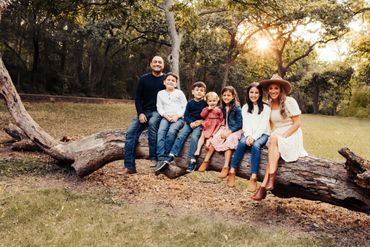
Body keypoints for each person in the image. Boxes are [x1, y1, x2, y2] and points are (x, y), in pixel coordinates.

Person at [252, 74, 308, 201]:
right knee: (273, 147)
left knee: (274, 141)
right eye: (270, 88)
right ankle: (267, 183)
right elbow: (272, 125)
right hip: (277, 134)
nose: (273, 91)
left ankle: (265, 184)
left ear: (281, 89)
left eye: (276, 88)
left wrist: (282, 136)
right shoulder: (269, 104)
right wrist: (274, 135)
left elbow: (297, 123)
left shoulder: (290, 101)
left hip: (292, 133)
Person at [123, 56, 166, 174]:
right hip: (144, 112)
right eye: (155, 62)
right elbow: (138, 98)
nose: (157, 64)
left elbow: (173, 97)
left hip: (159, 113)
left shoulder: (167, 79)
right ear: (151, 64)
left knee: (153, 124)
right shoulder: (144, 79)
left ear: (163, 65)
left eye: (160, 62)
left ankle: (155, 159)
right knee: (131, 133)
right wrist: (140, 113)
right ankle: (129, 166)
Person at [227, 82, 271, 190]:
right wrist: (248, 135)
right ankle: (232, 170)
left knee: (256, 146)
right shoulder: (245, 107)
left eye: (256, 92)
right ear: (248, 93)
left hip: (263, 133)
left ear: (260, 94)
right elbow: (245, 124)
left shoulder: (266, 108)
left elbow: (263, 125)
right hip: (248, 133)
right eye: (251, 92)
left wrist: (254, 137)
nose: (254, 95)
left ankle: (253, 176)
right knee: (242, 143)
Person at [198, 86, 243, 178]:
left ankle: (226, 166)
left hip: (234, 129)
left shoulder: (237, 108)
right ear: (221, 96)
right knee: (215, 139)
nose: (226, 97)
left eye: (229, 95)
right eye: (224, 95)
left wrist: (229, 132)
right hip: (224, 127)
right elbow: (214, 119)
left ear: (233, 96)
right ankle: (206, 161)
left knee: (230, 140)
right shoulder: (221, 107)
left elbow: (240, 123)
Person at [166, 81, 208, 172]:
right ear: (193, 92)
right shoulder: (190, 103)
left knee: (194, 137)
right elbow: (186, 115)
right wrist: (190, 123)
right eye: (197, 90)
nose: (199, 92)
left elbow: (208, 115)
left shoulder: (205, 103)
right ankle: (172, 154)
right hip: (190, 123)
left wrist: (200, 122)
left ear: (204, 93)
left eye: (201, 90)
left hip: (199, 124)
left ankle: (192, 160)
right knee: (181, 135)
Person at [155, 72, 188, 172]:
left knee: (172, 131)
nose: (170, 82)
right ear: (164, 82)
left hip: (178, 118)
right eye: (168, 80)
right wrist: (165, 115)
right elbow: (159, 107)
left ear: (176, 83)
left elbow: (185, 106)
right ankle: (160, 157)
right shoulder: (160, 93)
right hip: (165, 117)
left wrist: (177, 116)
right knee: (161, 132)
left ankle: (166, 157)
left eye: (173, 81)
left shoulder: (179, 93)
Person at [194, 91, 224, 157]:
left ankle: (208, 144)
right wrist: (208, 109)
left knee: (211, 136)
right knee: (202, 136)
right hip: (207, 125)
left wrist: (222, 124)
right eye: (210, 101)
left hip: (215, 125)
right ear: (207, 102)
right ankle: (198, 149)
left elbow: (221, 118)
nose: (212, 102)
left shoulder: (218, 109)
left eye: (214, 101)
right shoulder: (206, 109)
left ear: (217, 100)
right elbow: (202, 115)